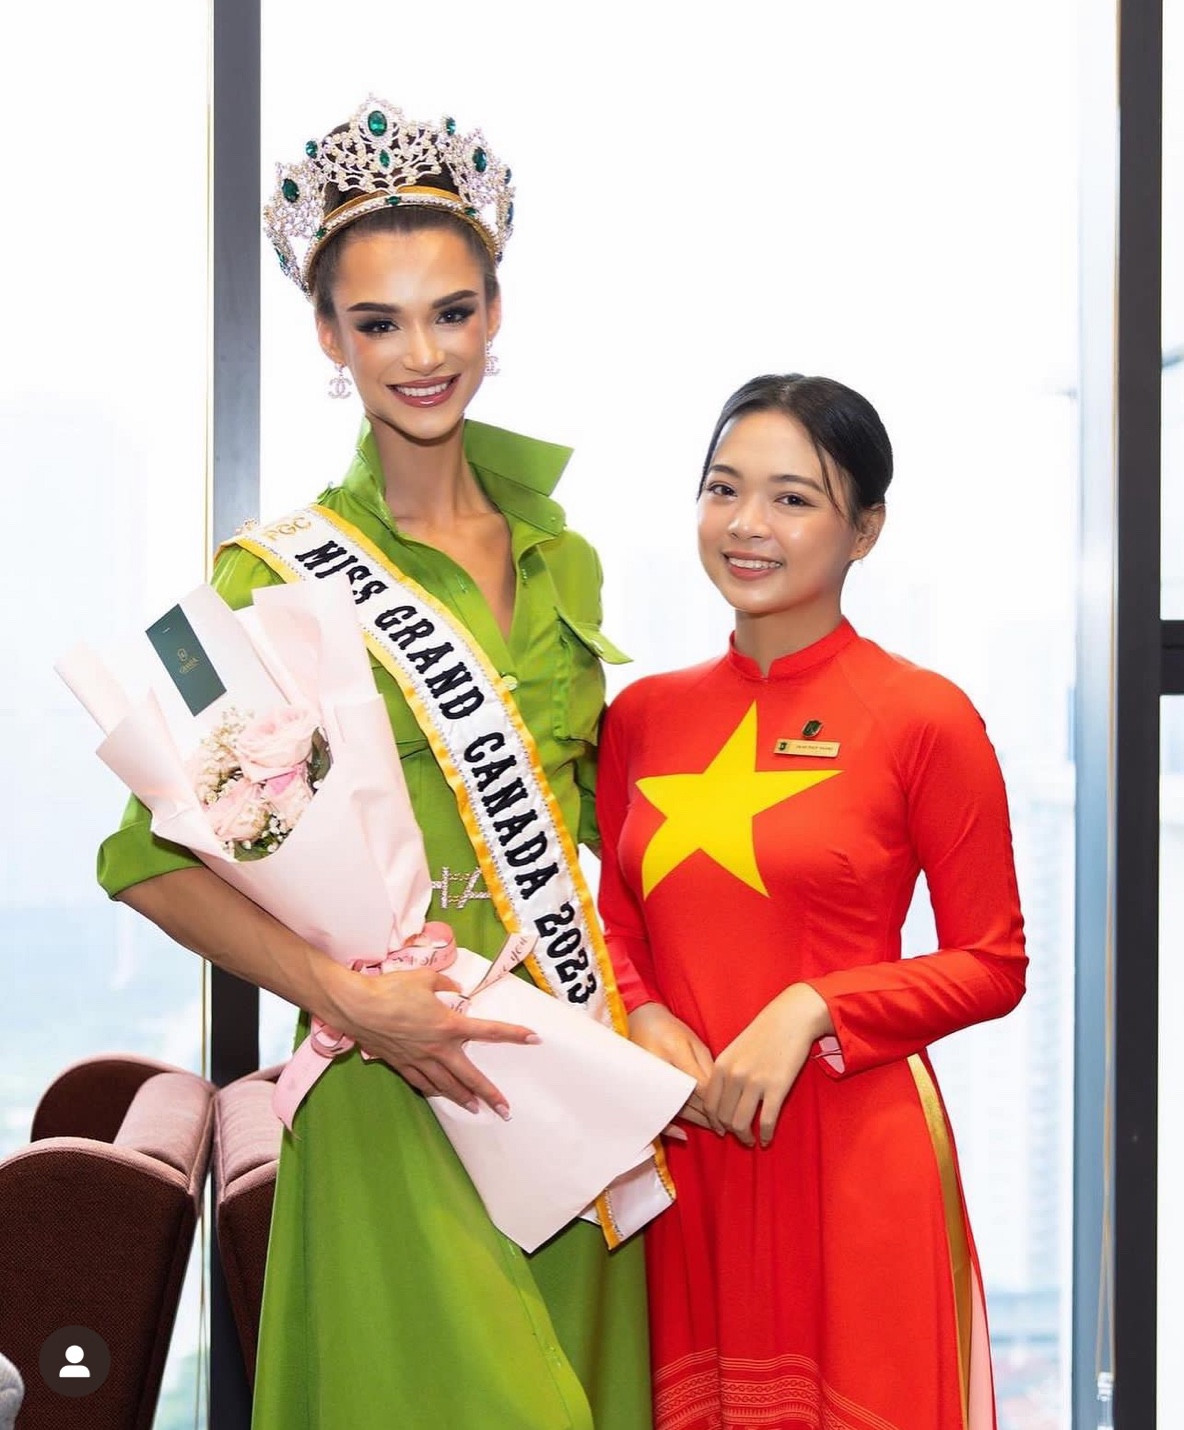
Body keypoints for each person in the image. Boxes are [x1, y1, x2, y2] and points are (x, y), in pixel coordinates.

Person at [97, 98, 652, 1428]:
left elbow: (591, 827)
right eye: (381, 320)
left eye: (452, 311)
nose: (422, 352)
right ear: (329, 338)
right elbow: (142, 858)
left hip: (565, 1085)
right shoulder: (272, 575)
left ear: (496, 316)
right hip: (390, 1089)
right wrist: (352, 995)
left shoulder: (560, 558)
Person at [596, 374, 1028, 1430]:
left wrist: (812, 1008)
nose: (747, 525)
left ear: (863, 528)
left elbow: (993, 959)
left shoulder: (923, 716)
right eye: (722, 488)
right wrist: (643, 1012)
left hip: (852, 1151)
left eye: (792, 498)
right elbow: (608, 912)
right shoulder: (643, 715)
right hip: (679, 1144)